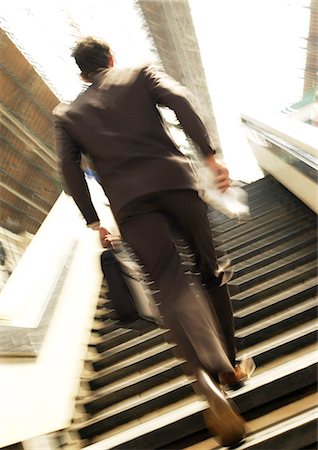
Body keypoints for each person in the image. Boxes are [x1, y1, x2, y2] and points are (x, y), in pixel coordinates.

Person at [53, 36, 255, 446]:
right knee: (209, 270)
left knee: (169, 283)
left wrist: (94, 220)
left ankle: (208, 384)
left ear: (81, 74)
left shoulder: (67, 114)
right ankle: (229, 364)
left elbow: (68, 169)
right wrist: (209, 154)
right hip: (175, 183)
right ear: (111, 59)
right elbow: (179, 99)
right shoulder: (138, 73)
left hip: (130, 206)